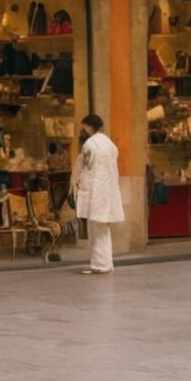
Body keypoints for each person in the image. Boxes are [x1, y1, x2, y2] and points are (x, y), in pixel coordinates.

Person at [73, 113, 124, 274]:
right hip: (109, 191)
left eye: (84, 127)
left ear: (89, 126)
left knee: (96, 231)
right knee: (103, 230)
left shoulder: (90, 144)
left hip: (95, 192)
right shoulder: (110, 144)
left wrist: (80, 190)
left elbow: (87, 171)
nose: (83, 130)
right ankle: (106, 263)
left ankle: (99, 265)